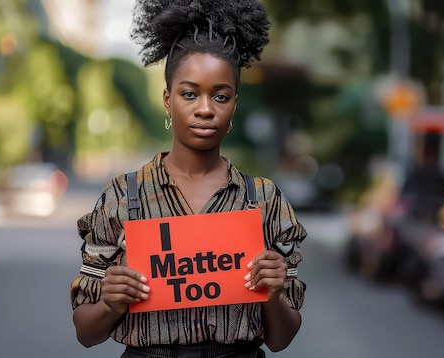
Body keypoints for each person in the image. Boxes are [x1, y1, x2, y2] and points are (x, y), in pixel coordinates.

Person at [69, 1, 307, 357]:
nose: (206, 108)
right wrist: (111, 303)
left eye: (221, 96)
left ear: (235, 105)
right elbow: (86, 334)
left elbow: (280, 340)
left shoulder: (264, 201)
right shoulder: (121, 196)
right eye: (189, 93)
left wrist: (273, 295)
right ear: (168, 99)